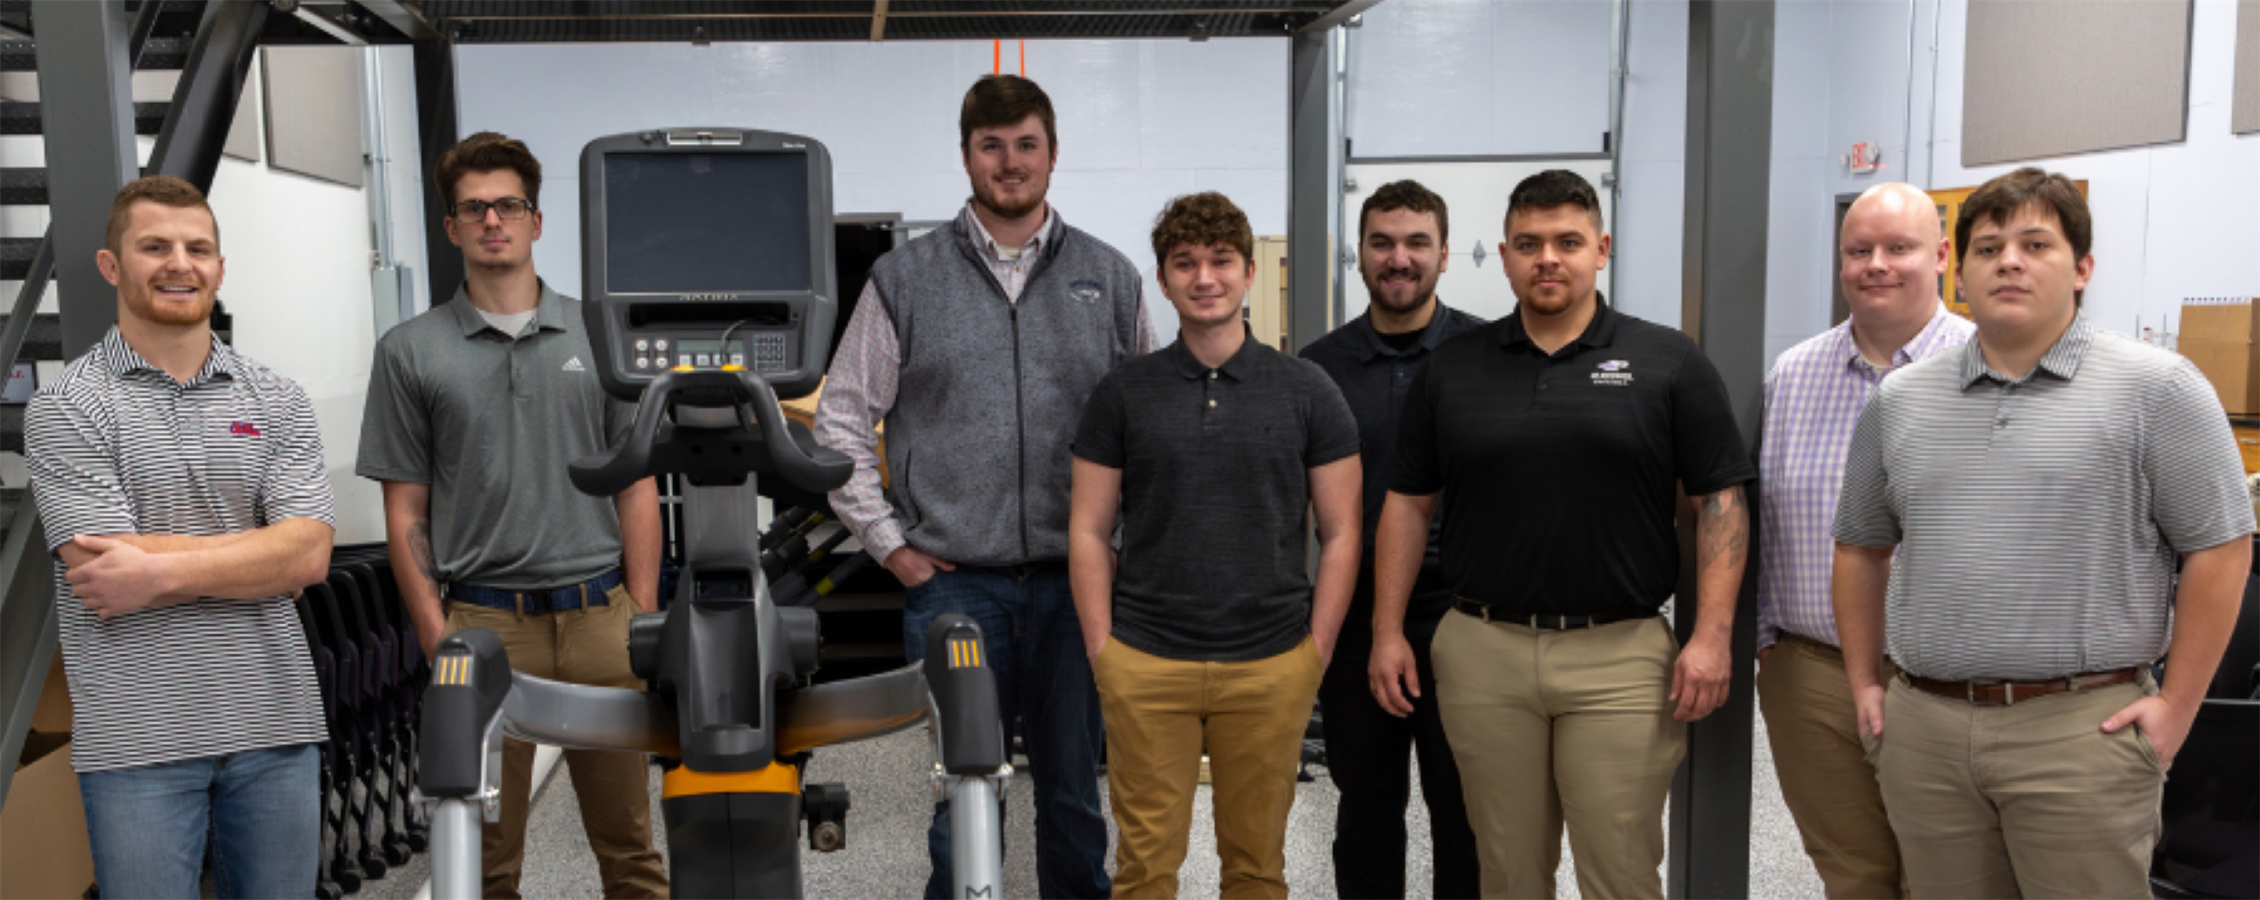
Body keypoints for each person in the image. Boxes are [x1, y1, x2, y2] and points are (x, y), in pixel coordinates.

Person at [1833, 167, 2253, 899]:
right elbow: (1861, 547)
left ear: (2082, 268)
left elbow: (2220, 548)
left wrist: (2177, 709)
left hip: (2082, 731)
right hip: (1926, 729)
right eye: (1989, 247)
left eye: (2036, 244)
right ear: (1959, 272)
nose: (2010, 262)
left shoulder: (2159, 388)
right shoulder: (1901, 401)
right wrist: (1867, 683)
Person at [814, 73, 1155, 900]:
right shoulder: (906, 279)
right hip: (954, 589)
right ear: (966, 156)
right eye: (991, 146)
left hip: (1078, 588)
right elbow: (840, 423)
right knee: (961, 790)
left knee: (1074, 790)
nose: (1010, 164)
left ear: (1053, 153)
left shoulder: (1108, 278)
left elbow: (1152, 425)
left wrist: (1116, 547)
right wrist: (893, 548)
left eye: (1026, 145)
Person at [1377, 169, 1753, 900]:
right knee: (1509, 871)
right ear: (1505, 254)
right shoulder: (1454, 367)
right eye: (1529, 243)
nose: (1547, 257)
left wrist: (1710, 635)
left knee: (1619, 869)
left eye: (1567, 241)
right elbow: (1407, 503)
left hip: (1619, 658)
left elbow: (1721, 502)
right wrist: (1389, 628)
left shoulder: (1668, 360)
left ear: (1601, 248)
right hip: (1483, 652)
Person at [356, 132, 667, 900]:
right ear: (452, 227)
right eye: (474, 208)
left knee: (631, 852)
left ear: (536, 220)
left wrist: (642, 615)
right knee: (484, 861)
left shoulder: (601, 335)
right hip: (486, 626)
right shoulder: (409, 351)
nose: (492, 219)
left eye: (508, 205)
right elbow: (405, 512)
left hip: (601, 619)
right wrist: (440, 637)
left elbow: (637, 487)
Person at [27, 175, 335, 898]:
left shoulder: (278, 397)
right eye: (154, 246)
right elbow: (102, 566)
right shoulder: (67, 405)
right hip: (138, 743)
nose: (179, 263)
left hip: (275, 726)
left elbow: (311, 554)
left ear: (220, 268)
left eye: (199, 248)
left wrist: (157, 569)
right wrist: (261, 552)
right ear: (112, 266)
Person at [1068, 191, 1362, 900]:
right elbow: (1087, 528)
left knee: (1257, 870)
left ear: (1249, 272)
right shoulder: (1123, 393)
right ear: (1164, 279)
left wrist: (1314, 653)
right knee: (1143, 870)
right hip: (1145, 663)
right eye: (1185, 263)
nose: (1205, 277)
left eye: (1222, 260)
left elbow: (1344, 530)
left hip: (1270, 665)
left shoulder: (1307, 390)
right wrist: (1104, 653)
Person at [1754, 182, 1974, 898]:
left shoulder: (1987, 368)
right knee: (1850, 872)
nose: (1876, 264)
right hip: (1810, 678)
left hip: (1937, 679)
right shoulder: (1794, 374)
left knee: (1942, 878)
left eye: (1899, 248)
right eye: (1858, 250)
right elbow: (1765, 515)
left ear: (1940, 257)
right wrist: (1767, 645)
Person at [1297, 178, 1481, 899]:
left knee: (1464, 813)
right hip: (1354, 615)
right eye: (1382, 242)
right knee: (1366, 808)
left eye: (1415, 243)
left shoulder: (1487, 355)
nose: (1398, 258)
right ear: (1359, 253)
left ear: (1445, 254)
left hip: (1466, 617)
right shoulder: (1318, 369)